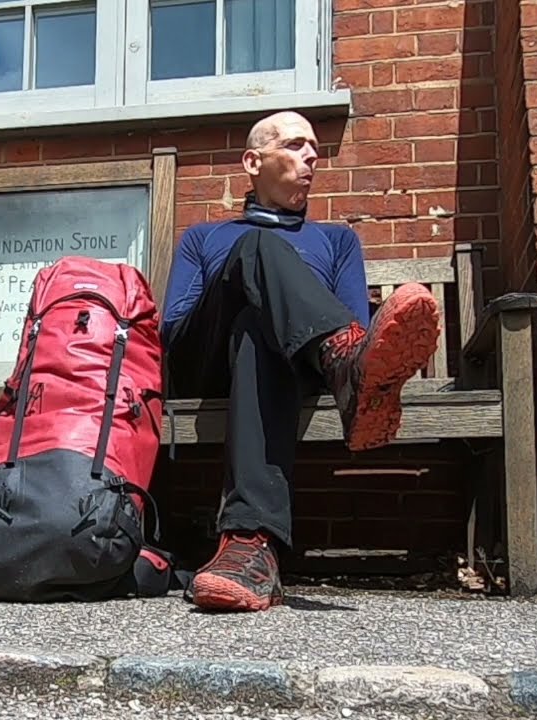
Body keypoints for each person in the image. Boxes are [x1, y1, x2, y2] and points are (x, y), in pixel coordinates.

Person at [162, 111, 440, 612]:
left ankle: (249, 546)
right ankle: (348, 381)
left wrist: (278, 318)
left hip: (297, 366)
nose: (312, 155)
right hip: (204, 365)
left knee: (256, 331)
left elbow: (355, 323)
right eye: (294, 145)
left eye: (313, 147)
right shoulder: (204, 238)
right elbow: (174, 326)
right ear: (253, 161)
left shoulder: (336, 241)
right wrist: (251, 279)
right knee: (255, 251)